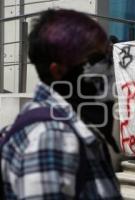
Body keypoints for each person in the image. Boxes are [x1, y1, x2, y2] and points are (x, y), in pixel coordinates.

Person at [1, 9, 122, 199]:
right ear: (58, 71)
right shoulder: (51, 138)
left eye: (110, 55)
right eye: (97, 59)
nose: (110, 67)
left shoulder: (78, 128)